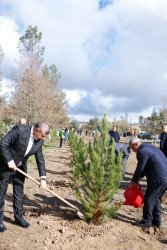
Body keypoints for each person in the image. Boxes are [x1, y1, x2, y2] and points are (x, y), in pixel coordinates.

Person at [0, 121, 50, 232]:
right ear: (37, 130)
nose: (42, 139)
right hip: (4, 165)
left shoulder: (39, 141)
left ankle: (18, 218)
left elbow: (40, 159)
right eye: (41, 136)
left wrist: (43, 178)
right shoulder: (19, 130)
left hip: (20, 169)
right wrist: (9, 160)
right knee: (1, 194)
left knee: (19, 194)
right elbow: (3, 143)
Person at [129, 137, 167, 228]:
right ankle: (157, 222)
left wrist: (133, 181)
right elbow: (146, 166)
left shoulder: (142, 151)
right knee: (156, 198)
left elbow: (140, 168)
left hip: (158, 178)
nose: (132, 150)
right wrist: (139, 178)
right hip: (164, 177)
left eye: (131, 148)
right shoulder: (148, 147)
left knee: (149, 198)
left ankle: (146, 222)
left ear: (136, 145)